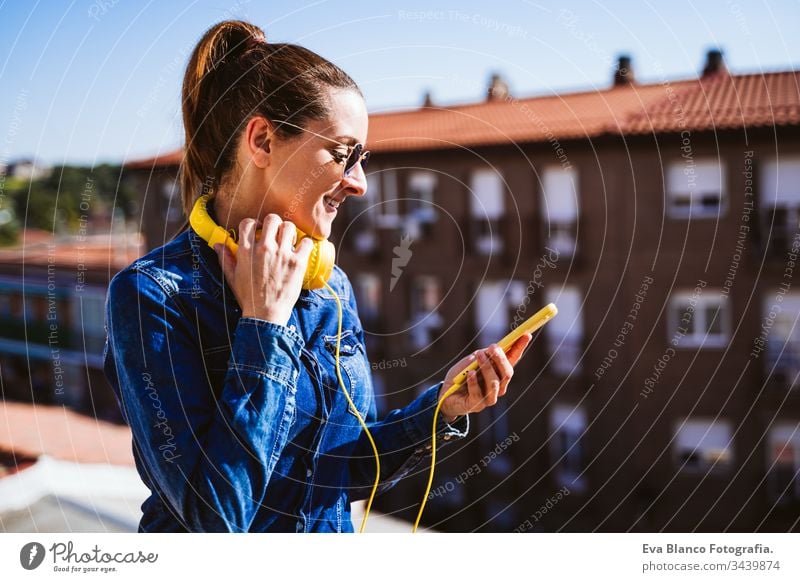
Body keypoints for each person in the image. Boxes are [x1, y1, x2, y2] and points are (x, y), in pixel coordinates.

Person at [103, 19, 532, 533]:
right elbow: (213, 519)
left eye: (362, 159)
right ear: (262, 141)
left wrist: (441, 410)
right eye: (342, 153)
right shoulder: (152, 296)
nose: (359, 184)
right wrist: (264, 326)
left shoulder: (329, 286)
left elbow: (339, 469)